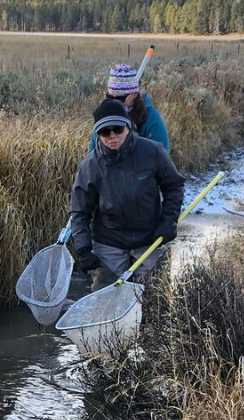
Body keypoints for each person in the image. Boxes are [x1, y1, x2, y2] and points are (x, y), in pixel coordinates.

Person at [72, 99, 185, 291]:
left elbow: (174, 185)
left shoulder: (152, 151)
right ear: (97, 134)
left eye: (117, 128)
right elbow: (80, 212)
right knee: (105, 304)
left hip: (150, 241)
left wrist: (169, 220)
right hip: (108, 246)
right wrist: (83, 249)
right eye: (104, 132)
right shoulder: (89, 166)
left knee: (155, 301)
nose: (112, 136)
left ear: (128, 126)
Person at [87, 63, 170, 153]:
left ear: (135, 94)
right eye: (111, 97)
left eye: (121, 98)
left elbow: (161, 155)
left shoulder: (151, 118)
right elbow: (92, 152)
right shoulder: (103, 115)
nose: (116, 102)